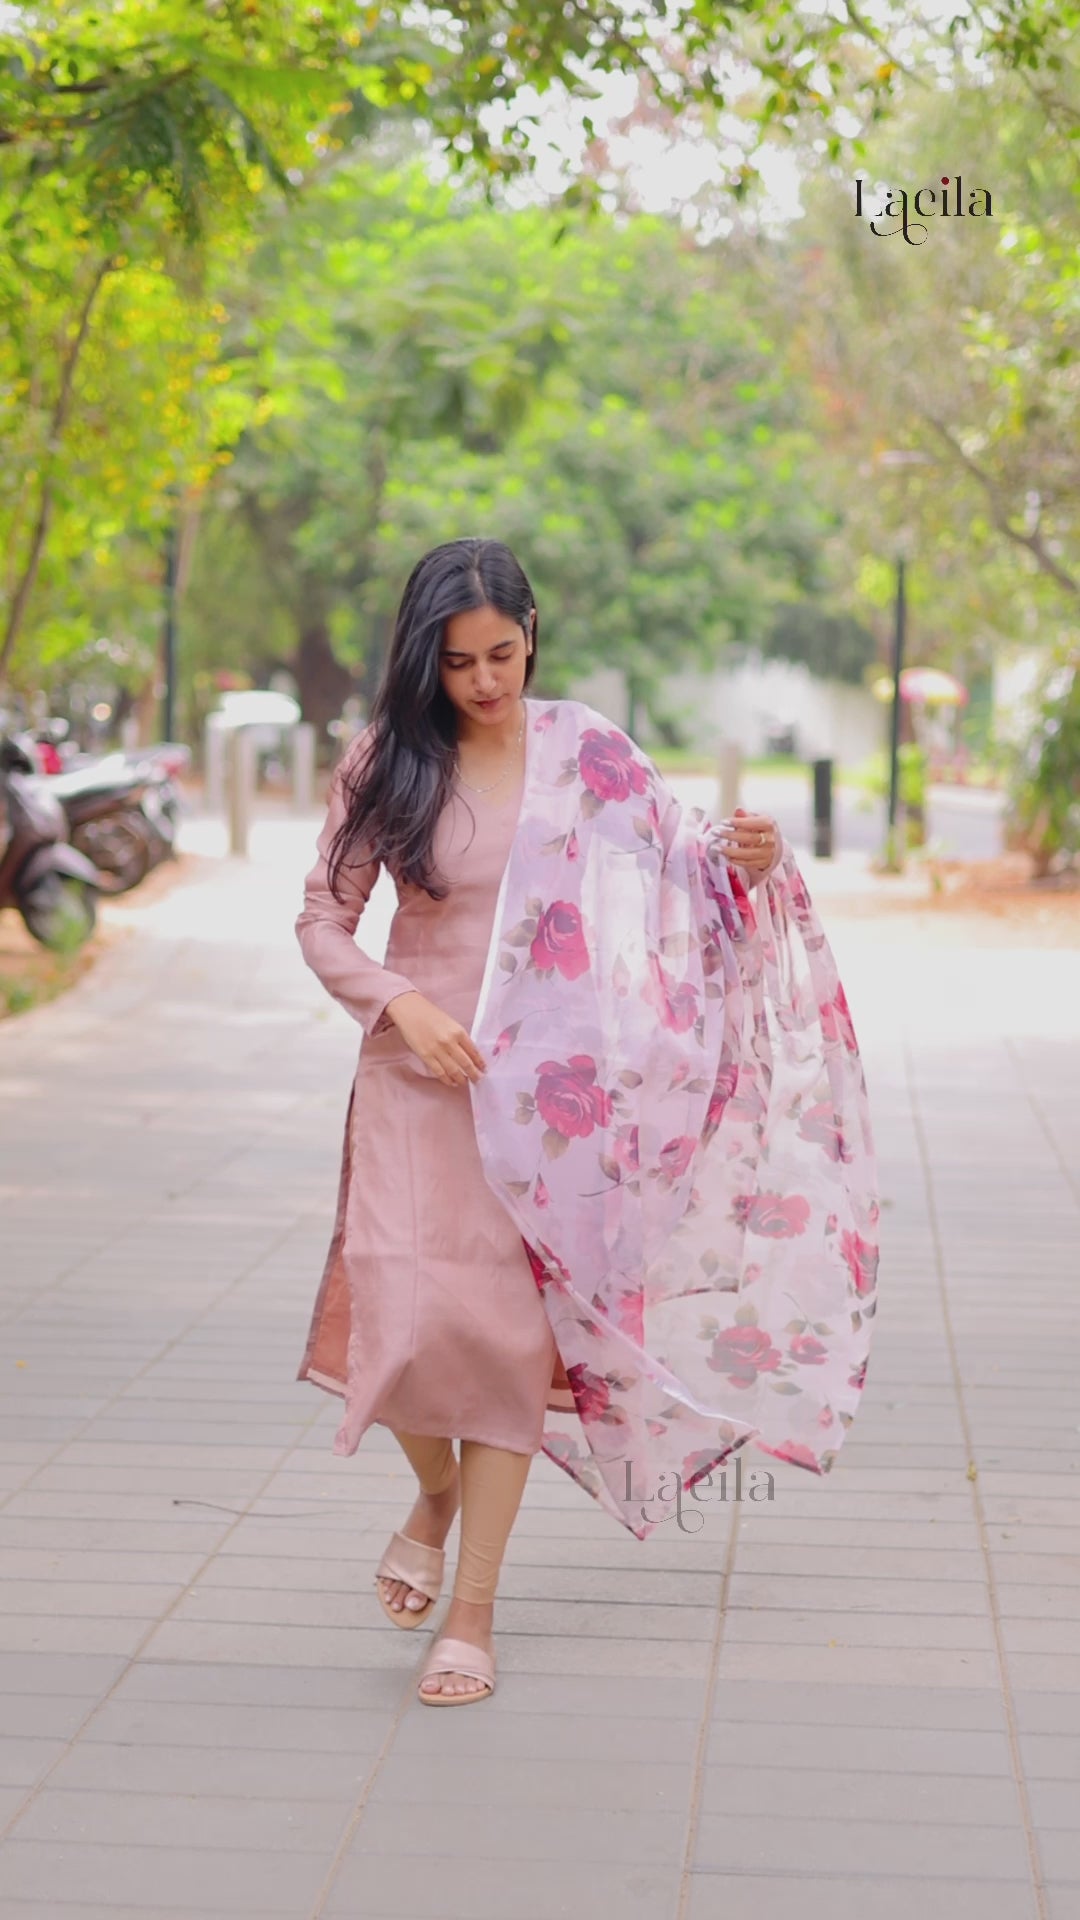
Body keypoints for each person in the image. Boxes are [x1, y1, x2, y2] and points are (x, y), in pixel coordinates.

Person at [293, 537, 795, 1707]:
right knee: (404, 1329)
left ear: (532, 639)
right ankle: (433, 1489)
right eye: (459, 661)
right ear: (425, 660)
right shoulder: (387, 762)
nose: (485, 682)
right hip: (417, 1083)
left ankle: (472, 1616)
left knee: (512, 1350)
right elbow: (323, 919)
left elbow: (693, 869)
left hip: (555, 1105)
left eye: (503, 655)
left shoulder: (589, 753)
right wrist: (398, 1002)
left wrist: (750, 860)